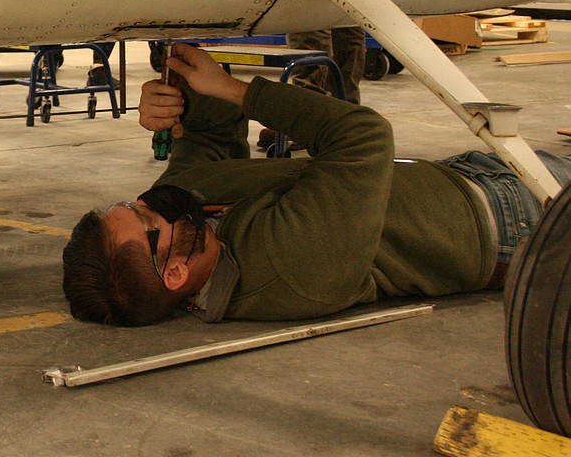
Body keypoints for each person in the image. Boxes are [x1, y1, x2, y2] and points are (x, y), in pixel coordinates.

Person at [61, 43, 571, 326]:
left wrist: (186, 104)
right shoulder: (286, 267)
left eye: (130, 203)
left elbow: (215, 134)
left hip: (462, 175)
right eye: (147, 218)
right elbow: (364, 136)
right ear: (174, 274)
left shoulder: (184, 216)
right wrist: (233, 89)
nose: (151, 199)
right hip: (509, 217)